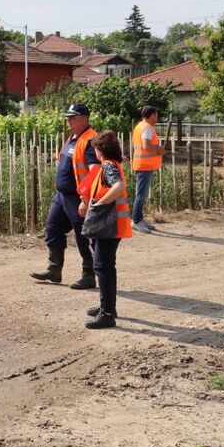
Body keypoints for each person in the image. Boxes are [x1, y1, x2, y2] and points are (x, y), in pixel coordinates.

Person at [30, 103, 100, 289]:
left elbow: (95, 171)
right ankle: (54, 269)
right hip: (62, 195)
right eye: (68, 117)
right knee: (52, 229)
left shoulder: (91, 140)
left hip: (78, 197)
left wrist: (85, 199)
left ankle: (89, 275)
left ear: (84, 118)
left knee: (83, 236)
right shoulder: (72, 138)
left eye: (72, 117)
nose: (68, 120)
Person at [80, 130, 132, 328]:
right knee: (107, 267)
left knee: (102, 267)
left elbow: (117, 187)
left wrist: (100, 204)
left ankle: (107, 313)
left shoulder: (109, 166)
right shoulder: (113, 165)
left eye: (96, 148)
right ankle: (108, 307)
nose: (95, 152)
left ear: (101, 150)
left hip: (108, 225)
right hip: (113, 225)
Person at [130, 105, 166, 233]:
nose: (156, 117)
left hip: (142, 164)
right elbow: (146, 145)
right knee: (140, 195)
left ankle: (139, 219)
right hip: (144, 165)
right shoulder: (147, 128)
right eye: (156, 115)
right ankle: (135, 221)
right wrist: (159, 149)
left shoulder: (139, 126)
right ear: (151, 115)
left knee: (141, 194)